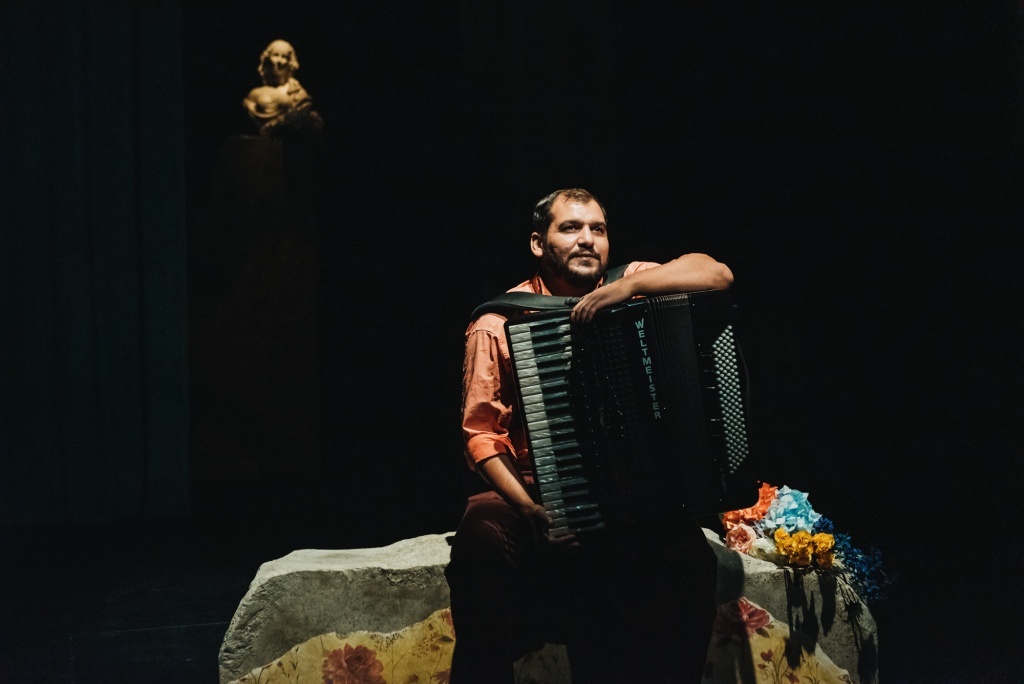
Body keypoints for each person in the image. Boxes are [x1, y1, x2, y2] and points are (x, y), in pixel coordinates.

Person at [445, 188, 734, 683]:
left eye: (597, 229)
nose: (587, 240)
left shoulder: (635, 281)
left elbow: (717, 273)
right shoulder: (499, 321)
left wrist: (626, 291)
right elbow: (482, 436)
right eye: (570, 228)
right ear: (539, 243)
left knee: (690, 562)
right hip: (533, 490)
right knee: (481, 539)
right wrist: (528, 508)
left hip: (632, 491)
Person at [243, 39, 323, 136]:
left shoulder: (299, 95)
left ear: (290, 62)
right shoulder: (254, 95)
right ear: (267, 59)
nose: (279, 61)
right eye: (275, 55)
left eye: (284, 57)